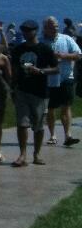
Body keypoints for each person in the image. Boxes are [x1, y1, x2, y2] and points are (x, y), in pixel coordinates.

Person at [9, 19, 56, 167]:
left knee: (38, 125)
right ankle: (22, 154)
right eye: (24, 30)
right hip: (22, 90)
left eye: (29, 30)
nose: (26, 32)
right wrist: (12, 88)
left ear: (36, 31)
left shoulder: (45, 49)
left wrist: (41, 71)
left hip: (39, 92)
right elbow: (15, 70)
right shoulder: (18, 49)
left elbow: (56, 68)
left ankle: (37, 154)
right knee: (22, 123)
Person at [41, 16, 80, 148]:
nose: (55, 29)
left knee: (66, 106)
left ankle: (68, 135)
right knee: (51, 108)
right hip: (49, 80)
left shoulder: (66, 39)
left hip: (66, 77)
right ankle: (52, 135)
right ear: (45, 28)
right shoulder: (41, 42)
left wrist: (63, 56)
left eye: (56, 26)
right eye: (52, 27)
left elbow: (78, 55)